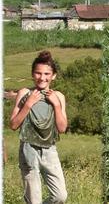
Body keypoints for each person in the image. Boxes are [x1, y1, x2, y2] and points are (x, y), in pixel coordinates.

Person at [10, 51, 68, 204]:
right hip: (28, 149)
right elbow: (14, 124)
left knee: (60, 196)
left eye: (47, 73)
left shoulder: (59, 96)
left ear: (53, 75)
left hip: (49, 150)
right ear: (32, 74)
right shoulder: (24, 93)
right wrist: (28, 104)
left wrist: (55, 104)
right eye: (38, 73)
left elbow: (62, 128)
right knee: (34, 200)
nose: (42, 77)